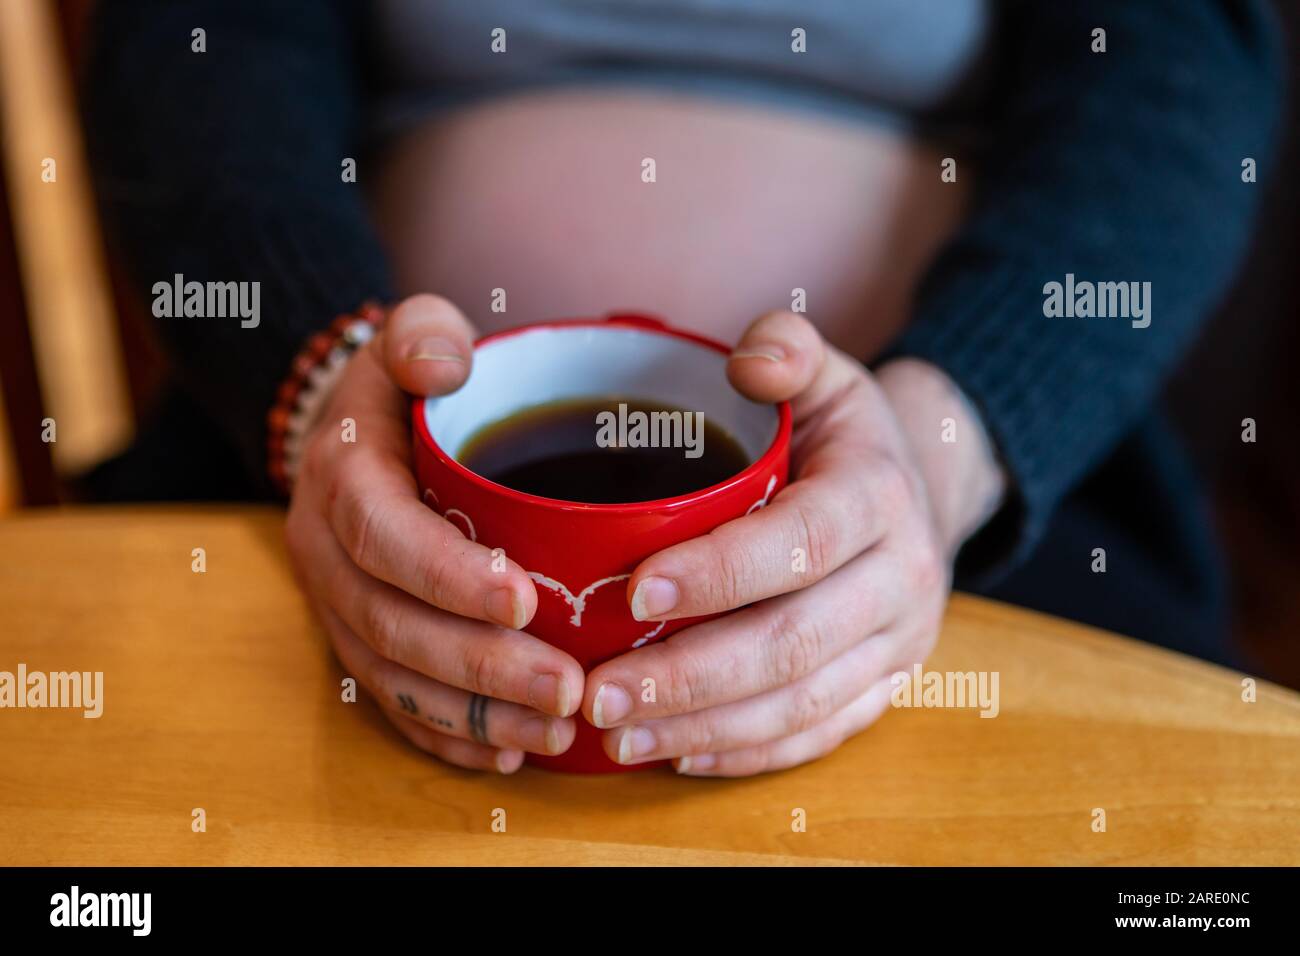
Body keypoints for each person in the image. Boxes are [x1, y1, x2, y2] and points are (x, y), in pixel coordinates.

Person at [82, 0, 1283, 775]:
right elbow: (200, 37)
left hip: (966, 495)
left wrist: (942, 444)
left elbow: (1172, 64)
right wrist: (317, 372)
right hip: (334, 474)